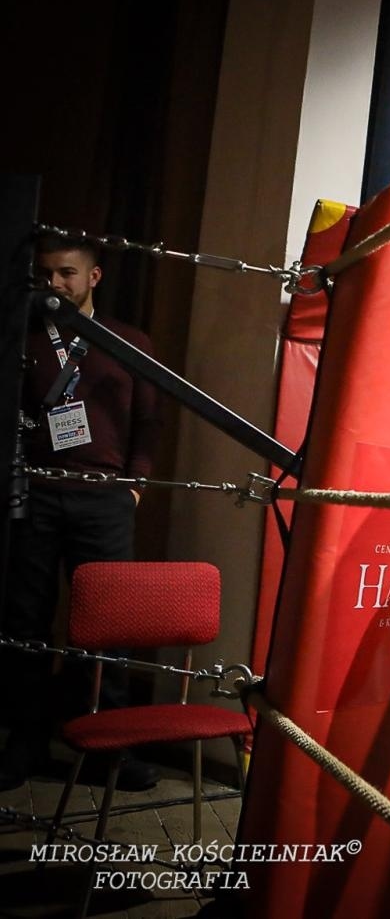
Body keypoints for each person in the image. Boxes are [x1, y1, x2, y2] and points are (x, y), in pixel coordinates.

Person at [1, 234, 162, 793]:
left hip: (105, 498)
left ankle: (107, 749)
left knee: (108, 622)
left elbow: (148, 422)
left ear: (93, 277)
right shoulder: (23, 336)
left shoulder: (128, 341)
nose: (54, 284)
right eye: (45, 272)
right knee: (25, 618)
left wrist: (134, 487)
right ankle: (25, 742)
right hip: (36, 494)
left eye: (66, 273)